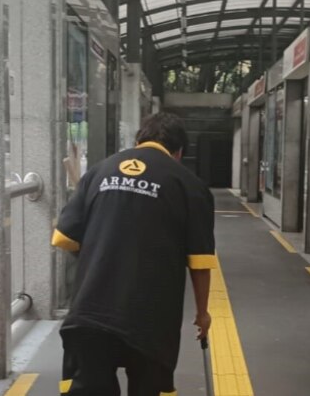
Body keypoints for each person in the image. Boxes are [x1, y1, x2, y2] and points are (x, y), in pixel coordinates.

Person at [51, 112, 217, 396]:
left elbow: (63, 239)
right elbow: (200, 263)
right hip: (151, 320)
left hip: (90, 312)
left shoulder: (99, 171)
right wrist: (202, 315)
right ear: (178, 152)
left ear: (139, 140)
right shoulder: (190, 185)